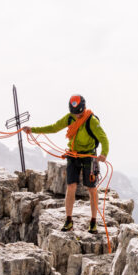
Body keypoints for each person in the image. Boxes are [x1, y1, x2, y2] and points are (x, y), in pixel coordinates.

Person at [22, 94, 109, 234]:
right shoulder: (69, 117)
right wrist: (33, 130)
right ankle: (68, 220)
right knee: (71, 186)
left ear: (84, 108)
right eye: (75, 113)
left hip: (89, 156)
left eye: (80, 113)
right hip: (73, 155)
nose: (78, 116)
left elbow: (103, 138)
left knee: (92, 189)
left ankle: (93, 222)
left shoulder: (91, 120)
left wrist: (104, 153)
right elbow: (54, 127)